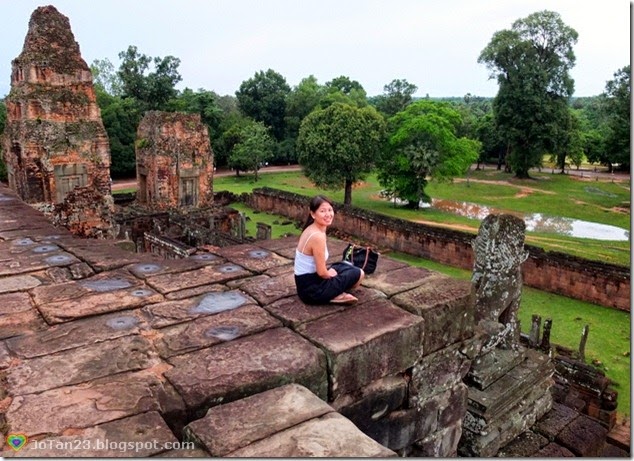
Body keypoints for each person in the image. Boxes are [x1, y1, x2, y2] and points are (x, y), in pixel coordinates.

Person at [294, 195, 364, 304]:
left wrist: (331, 272)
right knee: (359, 273)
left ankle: (334, 292)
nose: (328, 214)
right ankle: (334, 295)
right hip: (312, 290)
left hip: (306, 284)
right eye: (322, 211)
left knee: (344, 265)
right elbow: (322, 273)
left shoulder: (313, 228)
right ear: (313, 214)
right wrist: (330, 274)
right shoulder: (317, 236)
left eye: (330, 210)